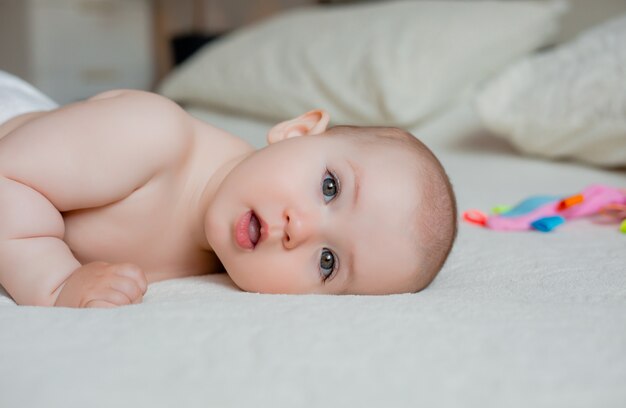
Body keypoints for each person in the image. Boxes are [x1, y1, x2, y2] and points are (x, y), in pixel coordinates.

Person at [0, 71, 458, 308]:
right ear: (297, 131)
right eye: (330, 187)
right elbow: (7, 175)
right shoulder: (149, 135)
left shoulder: (224, 264)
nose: (299, 228)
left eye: (327, 262)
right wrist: (56, 283)